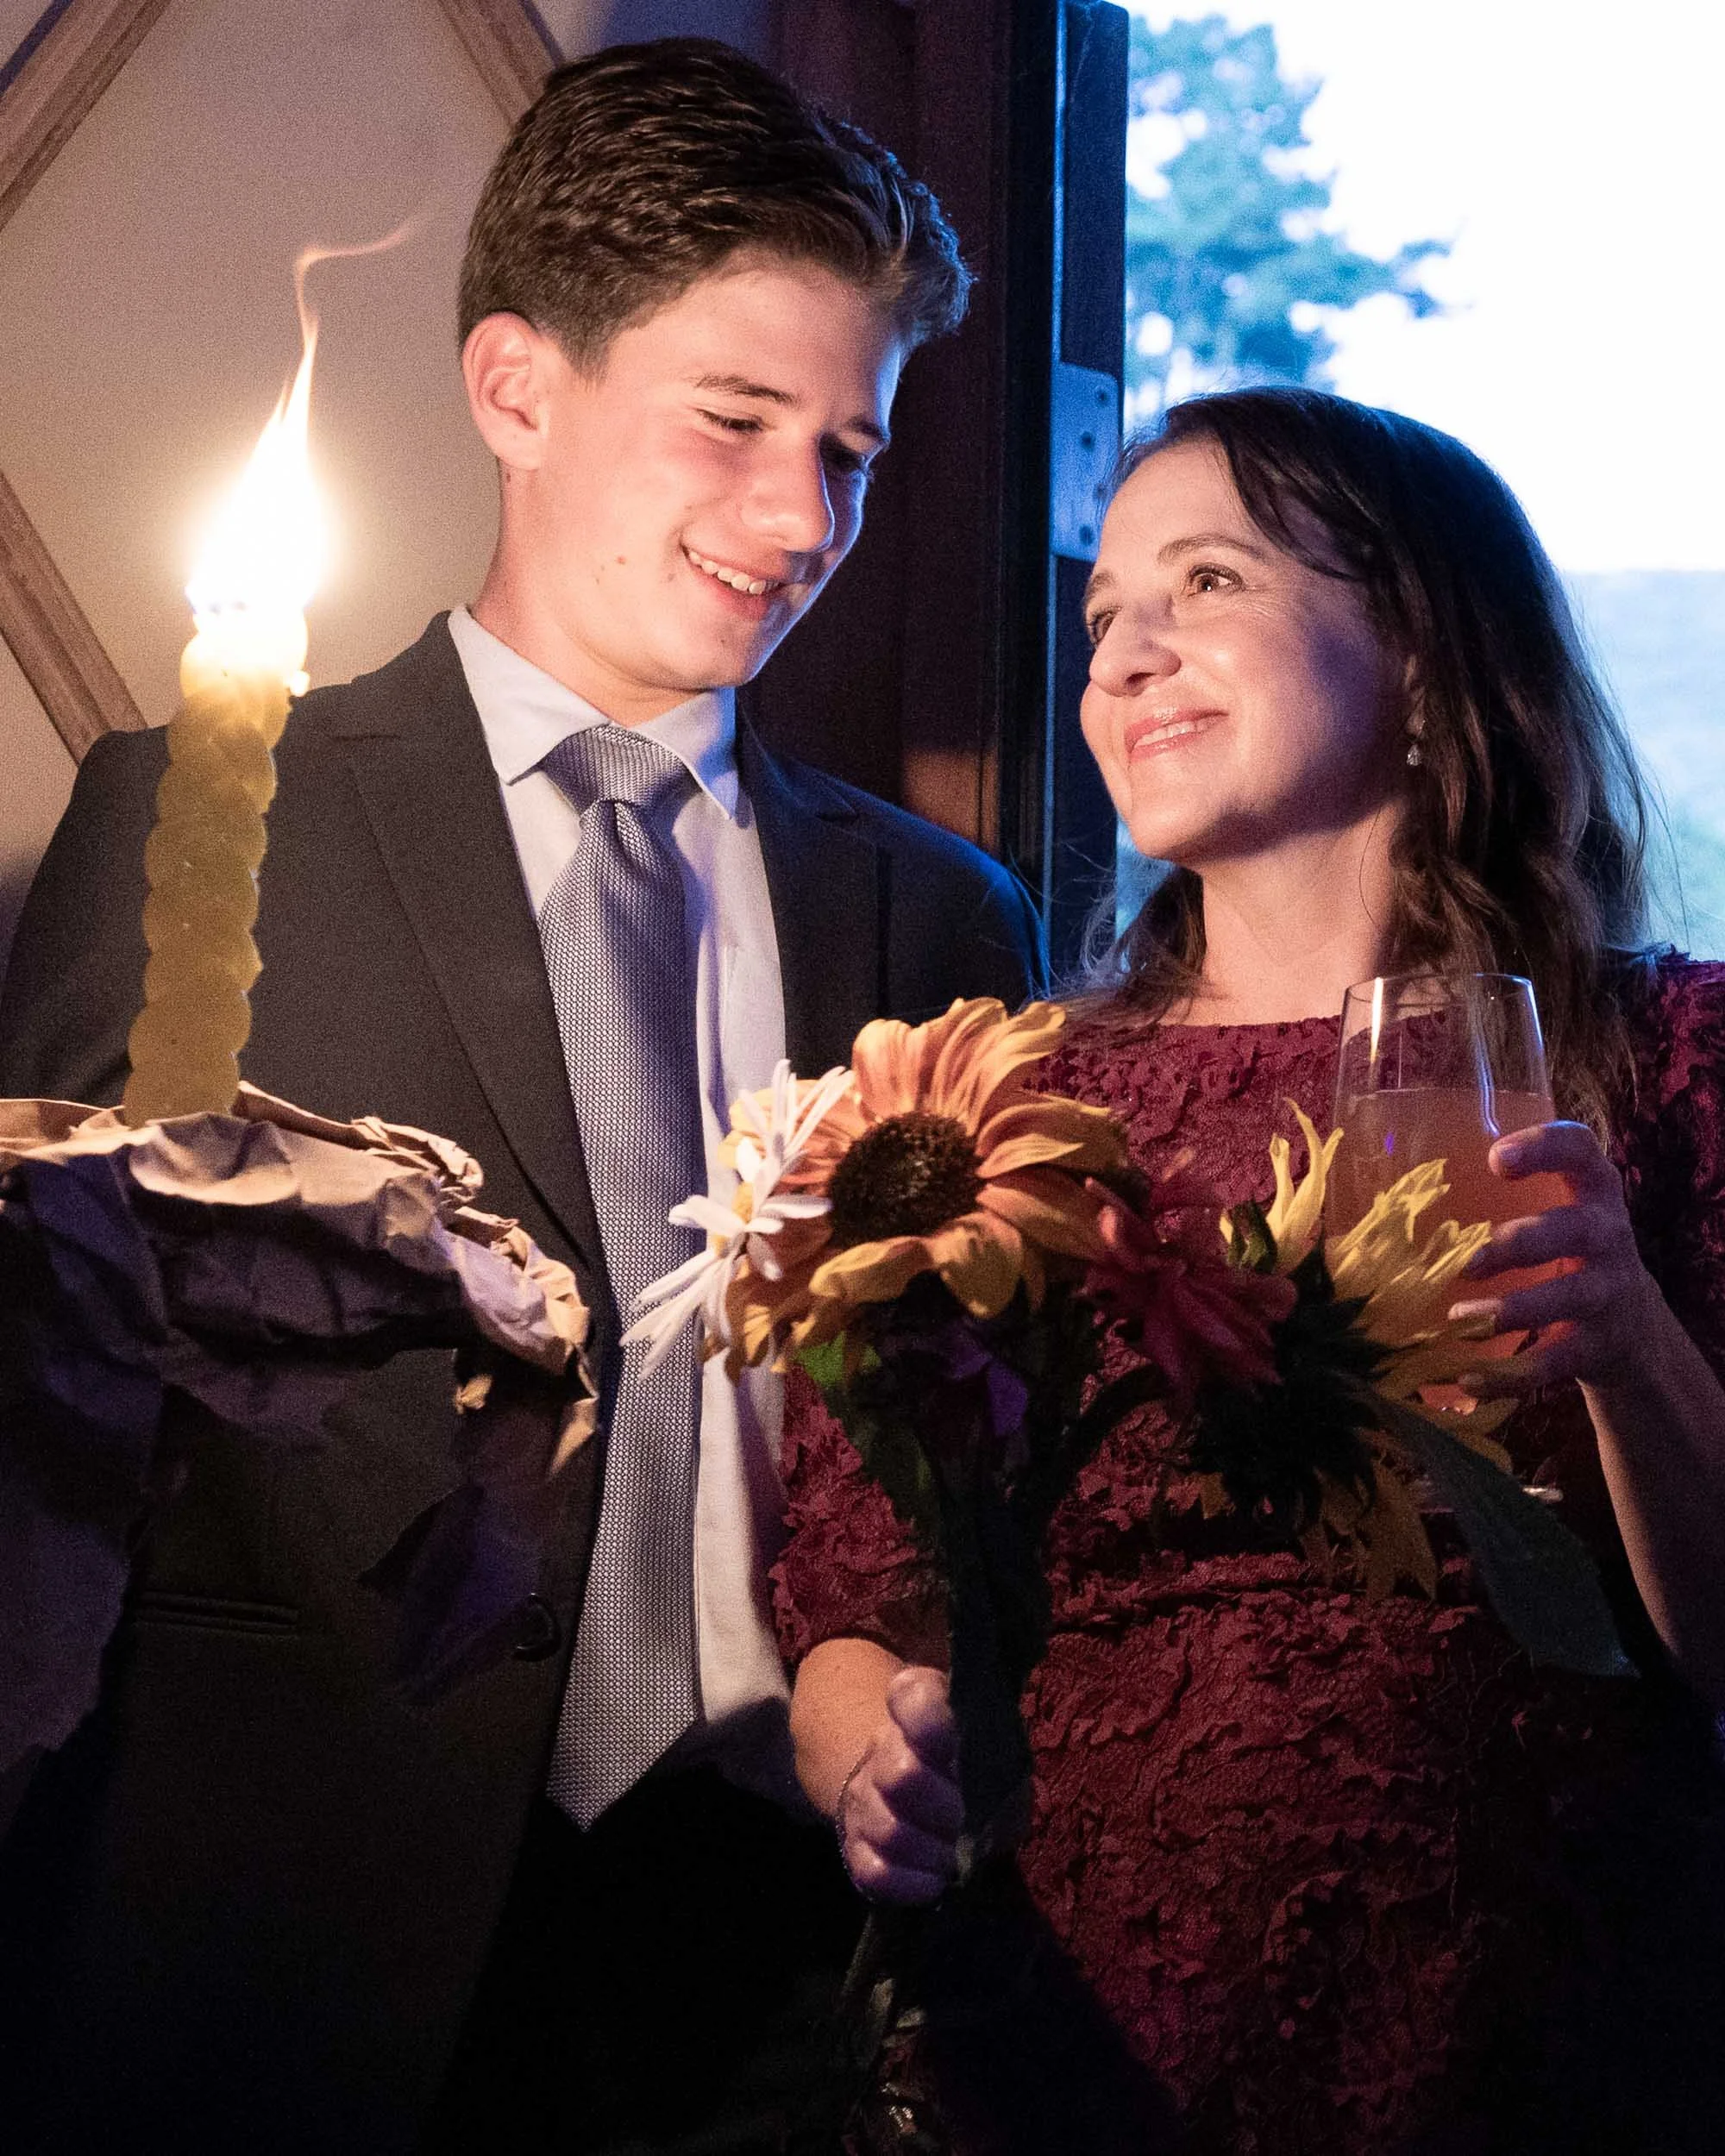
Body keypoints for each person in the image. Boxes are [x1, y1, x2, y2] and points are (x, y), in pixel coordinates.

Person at [0, 39, 1044, 2156]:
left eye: (848, 449)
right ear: (514, 385)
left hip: (783, 1953)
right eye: (734, 423)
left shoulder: (940, 912)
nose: (802, 519)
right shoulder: (197, 816)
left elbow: (980, 1438)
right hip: (297, 1933)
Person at [778, 386, 1725, 2153]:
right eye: (1102, 612)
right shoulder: (998, 1110)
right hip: (1075, 2055)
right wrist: (872, 1753)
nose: (1125, 655)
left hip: (1557, 2049)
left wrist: (1627, 1342)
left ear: (1428, 663)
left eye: (1203, 582)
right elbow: (858, 1595)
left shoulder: (1669, 1058)